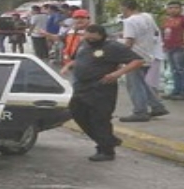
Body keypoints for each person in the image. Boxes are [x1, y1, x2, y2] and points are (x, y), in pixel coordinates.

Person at [60, 23, 145, 162]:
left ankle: (106, 150)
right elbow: (77, 59)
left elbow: (138, 61)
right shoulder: (84, 44)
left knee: (100, 119)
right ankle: (109, 140)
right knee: (77, 113)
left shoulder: (112, 47)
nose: (90, 41)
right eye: (88, 37)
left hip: (101, 87)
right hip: (82, 86)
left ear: (101, 36)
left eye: (93, 39)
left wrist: (117, 73)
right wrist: (68, 65)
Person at [118, 0, 169, 122]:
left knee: (134, 84)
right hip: (148, 53)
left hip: (135, 55)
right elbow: (154, 32)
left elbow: (130, 41)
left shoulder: (129, 21)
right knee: (143, 83)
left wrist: (121, 56)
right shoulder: (147, 17)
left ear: (126, 8)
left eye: (121, 8)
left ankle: (140, 111)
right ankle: (157, 106)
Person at [162, 1, 184, 100]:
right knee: (174, 70)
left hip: (181, 47)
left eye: (176, 8)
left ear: (180, 9)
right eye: (170, 8)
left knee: (182, 70)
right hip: (170, 48)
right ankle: (176, 90)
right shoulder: (167, 20)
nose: (173, 10)